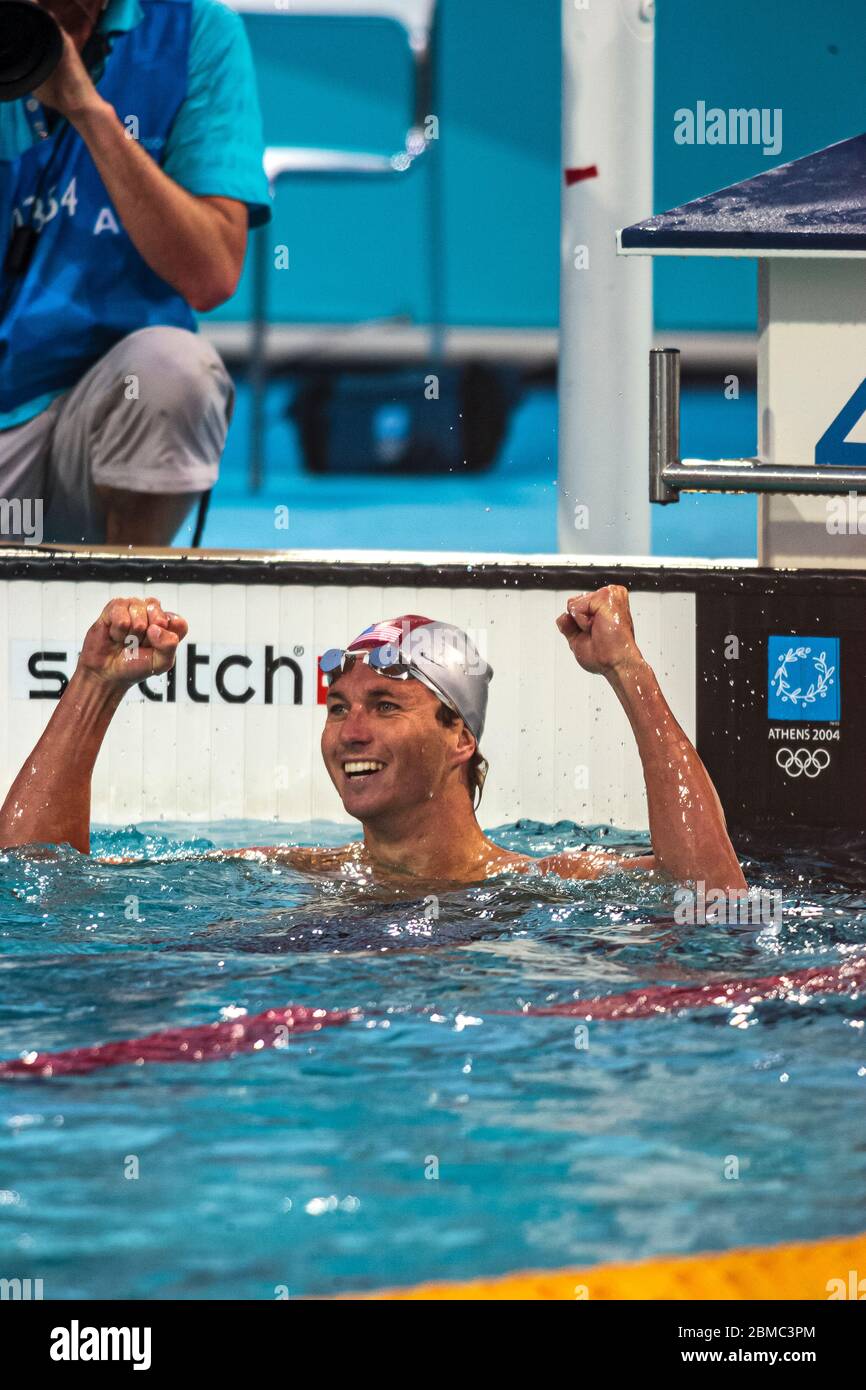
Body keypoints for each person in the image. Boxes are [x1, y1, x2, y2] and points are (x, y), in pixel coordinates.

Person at [0, 586, 746, 894]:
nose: (349, 732)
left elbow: (712, 896)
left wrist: (626, 669)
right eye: (337, 708)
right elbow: (36, 882)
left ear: (460, 737)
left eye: (385, 705)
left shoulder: (546, 881)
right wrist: (96, 686)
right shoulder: (294, 872)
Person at [0, 0, 272, 545]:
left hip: (95, 439)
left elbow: (213, 273)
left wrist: (91, 113)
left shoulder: (197, 32)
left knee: (176, 370)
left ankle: (130, 609)